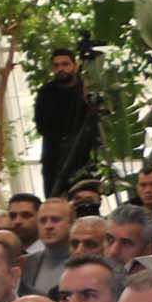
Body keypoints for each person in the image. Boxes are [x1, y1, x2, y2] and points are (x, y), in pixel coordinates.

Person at [34, 49, 101, 196]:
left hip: (83, 157)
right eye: (56, 65)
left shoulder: (86, 90)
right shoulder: (46, 92)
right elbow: (42, 126)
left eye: (65, 64)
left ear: (75, 65)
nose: (61, 69)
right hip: (54, 159)